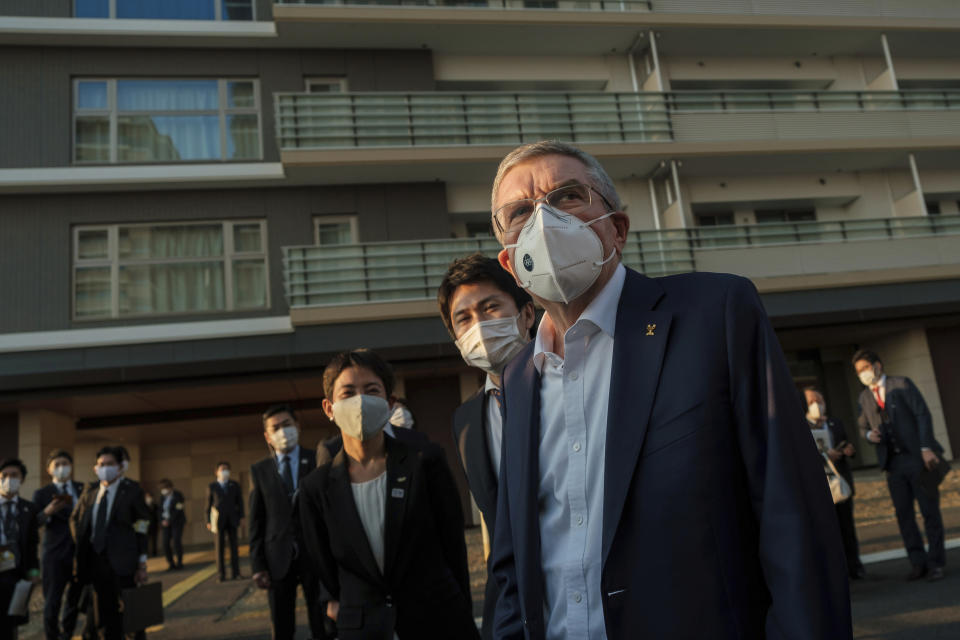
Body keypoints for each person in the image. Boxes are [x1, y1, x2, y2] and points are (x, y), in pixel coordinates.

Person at [487, 141, 851, 639]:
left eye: (568, 196)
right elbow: (513, 560)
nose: (544, 221)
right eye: (520, 212)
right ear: (509, 261)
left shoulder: (715, 312)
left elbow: (792, 513)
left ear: (616, 229)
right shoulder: (517, 379)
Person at [299, 349, 479, 640]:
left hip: (437, 620)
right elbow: (324, 568)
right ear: (329, 408)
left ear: (389, 402)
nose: (360, 402)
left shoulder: (426, 462)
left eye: (371, 390)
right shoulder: (316, 488)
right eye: (348, 393)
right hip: (363, 628)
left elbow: (452, 548)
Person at [437, 252, 535, 640]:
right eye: (464, 318)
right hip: (512, 612)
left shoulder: (575, 384)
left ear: (526, 314)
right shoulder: (465, 421)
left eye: (491, 307)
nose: (479, 325)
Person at [853, 348, 947, 582]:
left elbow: (922, 414)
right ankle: (917, 563)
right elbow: (862, 426)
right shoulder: (864, 397)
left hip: (917, 458)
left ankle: (936, 563)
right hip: (893, 464)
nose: (863, 374)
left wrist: (926, 448)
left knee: (929, 512)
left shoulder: (901, 383)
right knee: (904, 515)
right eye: (858, 372)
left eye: (865, 368)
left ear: (877, 365)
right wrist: (868, 436)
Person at [249, 404, 329, 640]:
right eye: (276, 428)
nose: (283, 432)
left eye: (287, 425)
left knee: (321, 619)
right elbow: (257, 519)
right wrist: (257, 565)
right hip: (277, 557)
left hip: (314, 555)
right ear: (267, 436)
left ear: (297, 426)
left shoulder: (316, 459)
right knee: (281, 623)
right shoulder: (259, 470)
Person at [70, 446, 150, 640]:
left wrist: (142, 561)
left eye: (110, 464)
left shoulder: (132, 490)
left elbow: (142, 525)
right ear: (95, 468)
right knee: (103, 615)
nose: (105, 468)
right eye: (101, 464)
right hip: (96, 563)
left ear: (120, 467)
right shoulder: (90, 492)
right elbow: (75, 520)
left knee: (133, 614)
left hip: (124, 562)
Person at [804, 388, 866, 580]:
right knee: (828, 531)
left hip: (840, 482)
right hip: (819, 486)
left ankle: (854, 566)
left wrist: (847, 450)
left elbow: (848, 444)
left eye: (820, 400)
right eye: (812, 400)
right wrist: (823, 456)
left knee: (847, 528)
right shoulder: (800, 426)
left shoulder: (834, 423)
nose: (817, 404)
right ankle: (835, 572)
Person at [32, 450, 85, 640]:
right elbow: (33, 523)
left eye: (65, 463)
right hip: (54, 555)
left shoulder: (82, 489)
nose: (62, 468)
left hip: (79, 554)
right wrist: (47, 512)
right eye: (57, 464)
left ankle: (68, 633)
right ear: (49, 469)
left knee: (75, 599)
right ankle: (52, 636)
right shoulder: (42, 493)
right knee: (52, 602)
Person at [0, 458, 41, 640]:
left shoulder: (28, 508)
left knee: (11, 623)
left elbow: (32, 544)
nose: (9, 479)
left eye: (14, 475)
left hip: (15, 574)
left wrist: (33, 572)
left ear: (22, 479)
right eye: (4, 476)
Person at [206, 461, 244, 582]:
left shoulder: (234, 485)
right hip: (218, 521)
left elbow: (240, 502)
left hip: (232, 519)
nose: (225, 471)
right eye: (222, 469)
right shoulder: (212, 486)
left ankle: (236, 573)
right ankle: (221, 574)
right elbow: (207, 506)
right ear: (216, 472)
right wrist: (208, 521)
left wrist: (242, 517)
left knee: (234, 547)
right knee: (219, 548)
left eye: (227, 469)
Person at [158, 478, 186, 571]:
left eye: (165, 488)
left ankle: (179, 562)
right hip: (165, 523)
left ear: (170, 488)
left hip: (176, 522)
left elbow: (179, 509)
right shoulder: (162, 498)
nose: (164, 490)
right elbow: (159, 510)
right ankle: (171, 563)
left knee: (176, 542)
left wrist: (169, 520)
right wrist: (162, 520)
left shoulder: (178, 495)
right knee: (165, 543)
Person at [143, 491, 160, 557]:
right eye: (147, 497)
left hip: (154, 525)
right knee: (146, 540)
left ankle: (154, 552)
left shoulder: (155, 505)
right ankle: (146, 552)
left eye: (150, 497)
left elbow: (158, 515)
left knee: (154, 539)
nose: (149, 498)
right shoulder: (142, 505)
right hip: (145, 525)